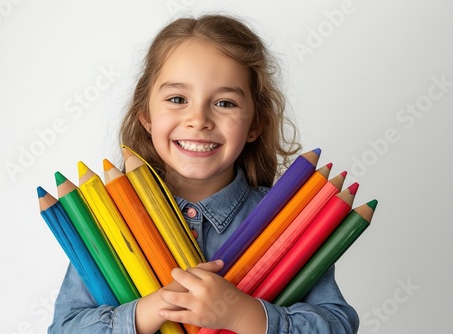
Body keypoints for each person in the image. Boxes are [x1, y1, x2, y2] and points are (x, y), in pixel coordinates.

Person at [49, 14, 359, 334]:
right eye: (177, 99)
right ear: (146, 115)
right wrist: (147, 311)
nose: (198, 119)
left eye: (225, 102)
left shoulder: (294, 219)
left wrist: (243, 315)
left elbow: (338, 325)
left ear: (256, 123)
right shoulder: (107, 219)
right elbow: (65, 327)